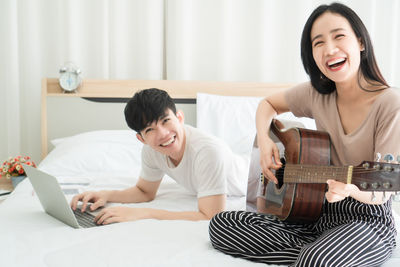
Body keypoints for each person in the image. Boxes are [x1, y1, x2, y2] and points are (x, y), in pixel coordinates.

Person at [209, 2, 400, 266]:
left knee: (316, 258)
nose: (329, 49)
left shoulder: (390, 103)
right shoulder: (315, 93)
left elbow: (385, 188)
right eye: (318, 42)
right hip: (315, 215)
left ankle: (315, 257)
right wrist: (265, 143)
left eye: (339, 36)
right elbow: (267, 105)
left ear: (360, 42)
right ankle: (313, 256)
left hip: (366, 220)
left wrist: (351, 189)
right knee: (222, 223)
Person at [71, 88, 247, 224]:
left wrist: (142, 213)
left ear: (179, 117)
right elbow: (144, 192)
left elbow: (210, 216)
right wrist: (105, 195)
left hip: (258, 181)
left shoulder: (208, 151)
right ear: (141, 139)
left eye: (165, 121)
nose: (163, 134)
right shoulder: (151, 151)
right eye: (150, 129)